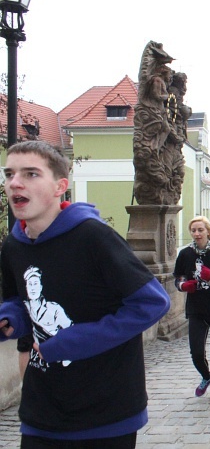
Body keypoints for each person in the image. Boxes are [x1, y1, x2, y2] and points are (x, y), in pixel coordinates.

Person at [0, 141, 170, 447]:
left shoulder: (93, 236)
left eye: (30, 174)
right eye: (9, 173)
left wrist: (73, 341)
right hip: (41, 413)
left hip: (105, 414)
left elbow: (152, 303)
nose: (14, 183)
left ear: (60, 187)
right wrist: (11, 319)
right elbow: (17, 300)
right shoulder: (13, 246)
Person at [174, 216, 210, 401]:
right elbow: (178, 278)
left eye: (200, 230)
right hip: (196, 308)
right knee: (196, 351)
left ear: (208, 231)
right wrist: (184, 286)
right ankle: (206, 377)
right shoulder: (185, 254)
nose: (197, 233)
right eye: (193, 230)